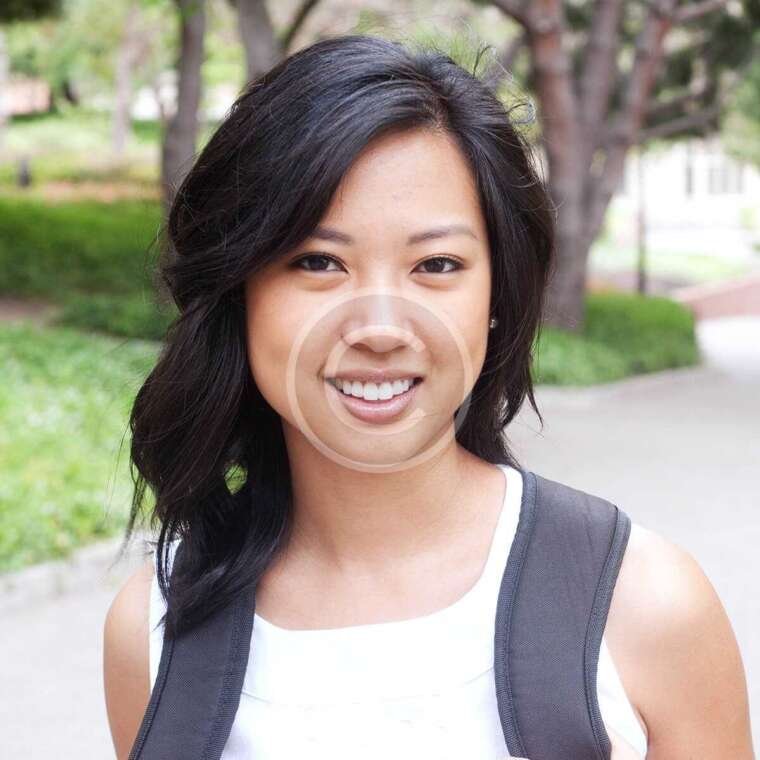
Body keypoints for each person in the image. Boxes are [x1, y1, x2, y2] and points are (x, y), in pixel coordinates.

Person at [102, 33, 754, 760]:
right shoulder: (156, 632)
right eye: (318, 261)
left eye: (436, 265)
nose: (381, 328)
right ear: (240, 290)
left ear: (497, 296)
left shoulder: (642, 607)